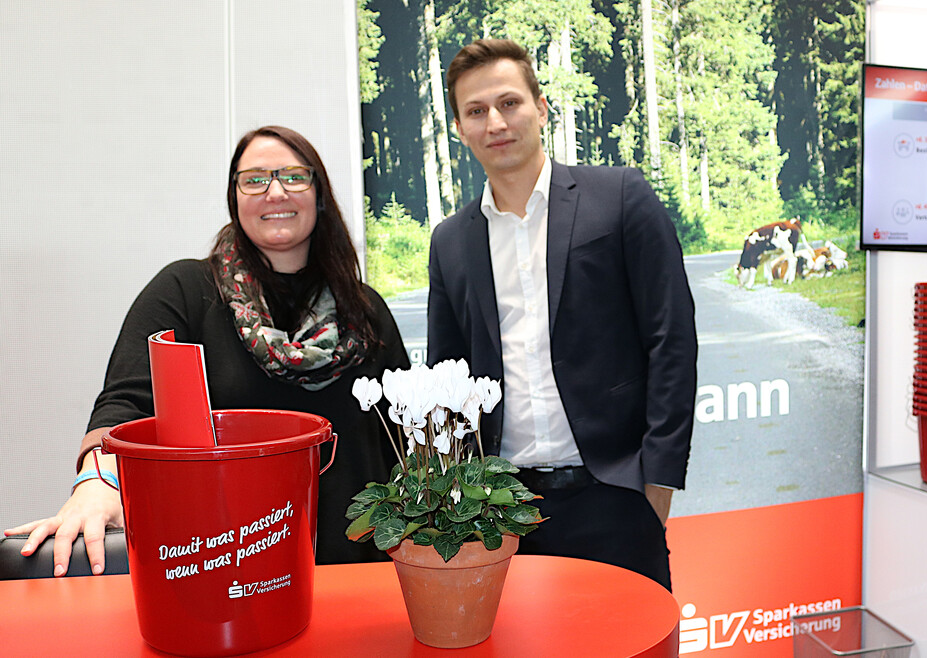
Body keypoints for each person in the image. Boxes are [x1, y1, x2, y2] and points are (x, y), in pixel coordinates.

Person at [5, 125, 408, 574]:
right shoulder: (184, 291)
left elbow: (405, 439)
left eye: (294, 176)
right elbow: (126, 404)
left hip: (361, 571)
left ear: (319, 194)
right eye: (254, 179)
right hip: (226, 571)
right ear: (235, 198)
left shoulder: (366, 310)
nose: (275, 191)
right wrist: (96, 484)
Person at [426, 39, 697, 590]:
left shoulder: (620, 197)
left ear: (541, 107)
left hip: (615, 496)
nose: (495, 122)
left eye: (509, 103)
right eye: (476, 111)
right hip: (503, 510)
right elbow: (446, 375)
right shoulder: (451, 242)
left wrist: (657, 483)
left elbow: (672, 339)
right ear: (460, 128)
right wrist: (459, 501)